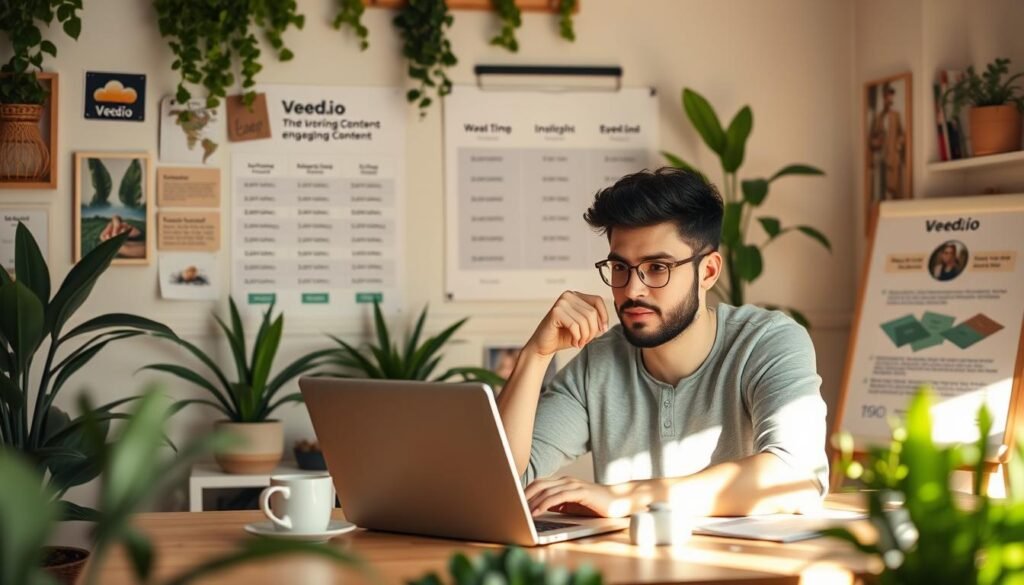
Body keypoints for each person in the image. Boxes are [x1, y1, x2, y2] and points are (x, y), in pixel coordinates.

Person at [496, 168, 829, 519]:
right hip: (631, 571)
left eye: (657, 267)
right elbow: (502, 482)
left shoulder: (767, 341)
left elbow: (795, 476)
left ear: (709, 272)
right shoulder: (599, 363)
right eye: (620, 267)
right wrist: (535, 355)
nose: (632, 289)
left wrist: (625, 498)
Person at [868, 83, 907, 201]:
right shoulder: (879, 117)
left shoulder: (896, 115)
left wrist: (898, 145)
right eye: (887, 96)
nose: (889, 99)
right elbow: (872, 137)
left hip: (893, 156)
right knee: (881, 189)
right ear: (884, 97)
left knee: (894, 187)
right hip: (881, 156)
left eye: (891, 96)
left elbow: (902, 134)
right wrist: (876, 141)